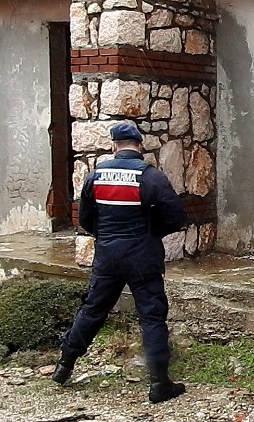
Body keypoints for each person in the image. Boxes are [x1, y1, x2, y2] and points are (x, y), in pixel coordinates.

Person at [52, 121, 188, 404]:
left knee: (93, 310)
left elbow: (87, 220)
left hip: (108, 257)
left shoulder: (95, 176)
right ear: (140, 146)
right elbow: (176, 217)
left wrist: (109, 238)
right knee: (151, 316)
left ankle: (64, 365)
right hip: (143, 257)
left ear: (114, 146)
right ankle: (159, 383)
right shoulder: (150, 177)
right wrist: (152, 233)